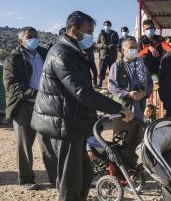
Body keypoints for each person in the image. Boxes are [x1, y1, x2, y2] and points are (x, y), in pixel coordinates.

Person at [30, 11, 134, 201]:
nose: (91, 36)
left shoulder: (74, 52)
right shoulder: (61, 54)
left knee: (86, 176)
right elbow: (82, 92)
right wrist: (119, 108)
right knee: (70, 183)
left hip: (73, 124)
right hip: (63, 126)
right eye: (88, 31)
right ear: (73, 29)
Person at [3, 26, 57, 190]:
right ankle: (26, 179)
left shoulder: (44, 54)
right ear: (21, 40)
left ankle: (56, 178)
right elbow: (12, 85)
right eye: (29, 36)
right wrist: (33, 93)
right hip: (23, 106)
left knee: (48, 143)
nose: (33, 39)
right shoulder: (13, 59)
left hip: (44, 105)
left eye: (35, 36)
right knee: (24, 144)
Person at [108, 37, 153, 120]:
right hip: (124, 109)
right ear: (122, 50)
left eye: (136, 47)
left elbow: (149, 83)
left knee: (139, 131)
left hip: (140, 108)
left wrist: (144, 93)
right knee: (123, 132)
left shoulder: (141, 65)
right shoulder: (117, 66)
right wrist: (128, 94)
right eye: (131, 48)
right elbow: (112, 87)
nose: (134, 50)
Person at [96, 20, 119, 88]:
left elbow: (117, 43)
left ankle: (113, 85)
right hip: (103, 55)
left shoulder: (114, 33)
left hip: (112, 55)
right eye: (105, 25)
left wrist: (111, 46)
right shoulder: (101, 34)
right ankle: (100, 83)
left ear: (110, 26)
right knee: (101, 70)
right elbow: (97, 44)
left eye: (108, 25)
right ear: (103, 26)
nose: (107, 26)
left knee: (113, 71)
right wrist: (103, 46)